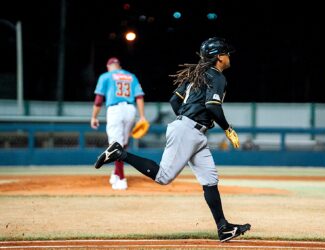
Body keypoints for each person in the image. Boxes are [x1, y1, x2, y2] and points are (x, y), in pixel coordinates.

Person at [93, 38, 251, 242]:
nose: (228, 56)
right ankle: (119, 153)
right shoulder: (217, 77)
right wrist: (227, 129)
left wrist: (184, 118)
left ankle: (223, 227)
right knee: (163, 176)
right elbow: (213, 106)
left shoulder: (196, 74)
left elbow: (174, 100)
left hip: (193, 132)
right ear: (219, 56)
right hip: (189, 131)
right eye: (226, 53)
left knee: (210, 180)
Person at [90, 57, 146, 190]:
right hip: (130, 110)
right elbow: (139, 97)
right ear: (119, 66)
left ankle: (121, 178)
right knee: (123, 144)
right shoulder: (131, 76)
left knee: (115, 145)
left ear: (109, 66)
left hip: (115, 109)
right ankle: (116, 173)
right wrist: (142, 116)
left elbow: (98, 100)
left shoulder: (106, 76)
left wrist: (94, 117)